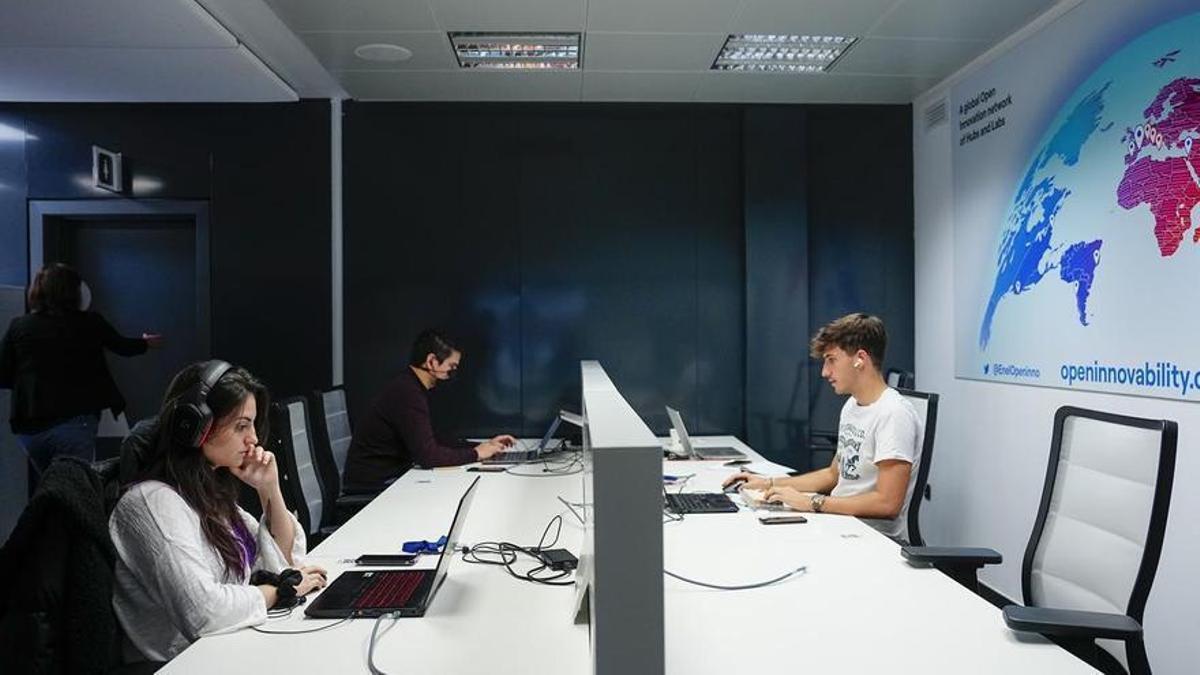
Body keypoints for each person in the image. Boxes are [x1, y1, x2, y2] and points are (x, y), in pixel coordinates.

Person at [108, 361, 327, 663]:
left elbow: (282, 561)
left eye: (252, 424)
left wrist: (269, 489)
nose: (253, 439)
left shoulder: (208, 494)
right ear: (194, 425)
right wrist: (282, 590)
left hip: (225, 651)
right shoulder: (153, 503)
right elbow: (203, 612)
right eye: (241, 425)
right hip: (180, 664)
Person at [724, 313, 922, 542]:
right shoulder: (851, 406)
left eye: (831, 360)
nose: (825, 372)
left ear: (860, 359)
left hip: (870, 538)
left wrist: (812, 502)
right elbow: (832, 475)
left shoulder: (893, 413)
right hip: (840, 523)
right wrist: (769, 483)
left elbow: (888, 503)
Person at [0, 263, 162, 475]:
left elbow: (3, 374)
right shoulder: (89, 323)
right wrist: (145, 343)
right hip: (75, 423)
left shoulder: (20, 326)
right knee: (74, 487)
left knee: (51, 484)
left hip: (31, 428)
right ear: (74, 292)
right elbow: (121, 346)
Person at [342, 329, 515, 493]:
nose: (452, 373)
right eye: (451, 367)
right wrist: (477, 453)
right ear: (432, 361)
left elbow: (433, 440)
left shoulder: (409, 386)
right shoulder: (407, 393)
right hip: (375, 487)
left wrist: (484, 447)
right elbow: (429, 456)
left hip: (386, 479)